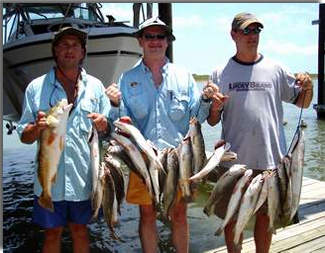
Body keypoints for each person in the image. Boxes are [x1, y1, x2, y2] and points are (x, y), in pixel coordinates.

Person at [106, 16, 216, 253]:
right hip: (142, 160)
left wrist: (206, 98)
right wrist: (114, 105)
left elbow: (197, 116)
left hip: (180, 159)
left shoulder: (184, 76)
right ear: (140, 41)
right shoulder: (127, 79)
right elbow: (120, 123)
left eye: (160, 37)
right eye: (149, 36)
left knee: (179, 214)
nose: (155, 41)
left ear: (167, 42)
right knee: (147, 214)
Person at [207, 12, 313, 253]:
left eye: (256, 31)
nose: (252, 36)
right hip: (233, 163)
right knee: (233, 218)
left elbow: (303, 103)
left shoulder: (276, 69)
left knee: (265, 220)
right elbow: (212, 121)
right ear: (233, 34)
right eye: (246, 31)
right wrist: (213, 107)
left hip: (271, 162)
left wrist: (309, 86)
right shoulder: (219, 73)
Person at [17, 26, 111, 253]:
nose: (69, 50)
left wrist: (103, 124)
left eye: (75, 45)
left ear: (82, 52)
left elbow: (108, 131)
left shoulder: (97, 87)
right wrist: (36, 128)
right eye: (63, 45)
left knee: (80, 230)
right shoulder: (36, 88)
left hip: (83, 180)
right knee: (52, 234)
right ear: (55, 51)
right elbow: (24, 136)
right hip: (49, 182)